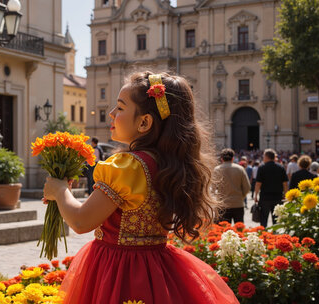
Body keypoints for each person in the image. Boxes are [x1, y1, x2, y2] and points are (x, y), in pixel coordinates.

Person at [43, 72, 236, 303]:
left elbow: (81, 221)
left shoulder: (126, 167)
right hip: (158, 268)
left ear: (144, 122)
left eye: (120, 108)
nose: (112, 114)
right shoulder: (164, 164)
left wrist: (59, 190)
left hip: (117, 270)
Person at [213, 148, 251, 224]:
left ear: (221, 159)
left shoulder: (217, 170)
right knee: (239, 230)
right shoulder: (240, 169)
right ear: (233, 158)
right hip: (238, 203)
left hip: (222, 205)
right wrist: (241, 196)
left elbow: (212, 189)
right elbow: (247, 187)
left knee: (223, 231)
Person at [254, 149, 288, 227]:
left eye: (263, 156)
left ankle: (264, 236)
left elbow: (258, 184)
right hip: (277, 197)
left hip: (265, 197)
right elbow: (285, 184)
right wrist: (286, 195)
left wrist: (256, 195)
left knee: (263, 220)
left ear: (266, 157)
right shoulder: (281, 168)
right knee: (276, 221)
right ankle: (275, 237)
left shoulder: (262, 167)